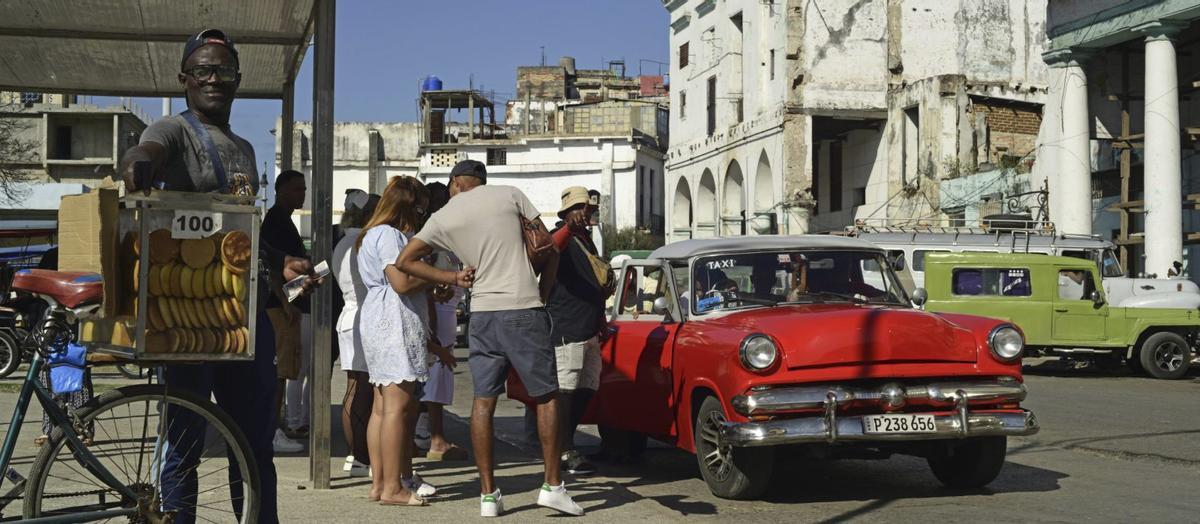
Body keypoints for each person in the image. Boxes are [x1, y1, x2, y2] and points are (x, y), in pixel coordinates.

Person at [118, 28, 318, 524]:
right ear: (184, 79)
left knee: (252, 446)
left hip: (244, 321)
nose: (213, 78)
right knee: (185, 439)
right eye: (203, 70)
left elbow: (240, 232)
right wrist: (136, 165)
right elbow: (148, 151)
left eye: (223, 71)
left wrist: (279, 262)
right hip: (189, 318)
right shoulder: (174, 131)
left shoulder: (246, 149)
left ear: (237, 80)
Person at [395, 159, 584, 518]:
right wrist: (542, 294)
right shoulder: (509, 194)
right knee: (546, 398)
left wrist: (451, 277)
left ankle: (488, 496)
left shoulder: (442, 217)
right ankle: (553, 487)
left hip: (482, 314)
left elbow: (405, 260)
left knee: (483, 402)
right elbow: (547, 246)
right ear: (482, 180)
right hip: (523, 307)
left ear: (455, 183)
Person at [356, 176, 454, 506]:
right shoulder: (389, 235)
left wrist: (425, 283)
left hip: (378, 316)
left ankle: (380, 484)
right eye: (421, 210)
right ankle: (392, 487)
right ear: (410, 207)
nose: (422, 218)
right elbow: (400, 282)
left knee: (383, 407)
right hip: (392, 318)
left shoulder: (372, 234)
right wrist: (432, 278)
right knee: (396, 408)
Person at [545, 186, 610, 476]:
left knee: (587, 387)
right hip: (567, 325)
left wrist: (601, 321)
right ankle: (564, 449)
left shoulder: (586, 240)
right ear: (568, 211)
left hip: (589, 326)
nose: (586, 212)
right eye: (581, 207)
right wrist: (568, 229)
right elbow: (548, 250)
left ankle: (563, 444)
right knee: (566, 390)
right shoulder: (561, 235)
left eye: (589, 208)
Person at [416, 181, 470, 461]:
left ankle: (431, 434)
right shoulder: (430, 237)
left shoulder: (445, 234)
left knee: (438, 378)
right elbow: (425, 283)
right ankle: (435, 438)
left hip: (447, 310)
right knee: (436, 378)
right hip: (439, 313)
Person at [332, 190, 379, 477]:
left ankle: (356, 456)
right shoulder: (364, 242)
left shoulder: (342, 243)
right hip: (363, 317)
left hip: (349, 316)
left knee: (353, 388)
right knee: (363, 391)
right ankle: (361, 456)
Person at [262, 169, 309, 453]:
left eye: (303, 189)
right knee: (278, 374)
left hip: (286, 304)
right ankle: (272, 430)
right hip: (278, 308)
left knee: (284, 372)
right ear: (280, 191)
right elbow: (271, 269)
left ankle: (274, 428)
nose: (300, 194)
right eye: (295, 189)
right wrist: (284, 301)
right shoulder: (276, 221)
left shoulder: (285, 221)